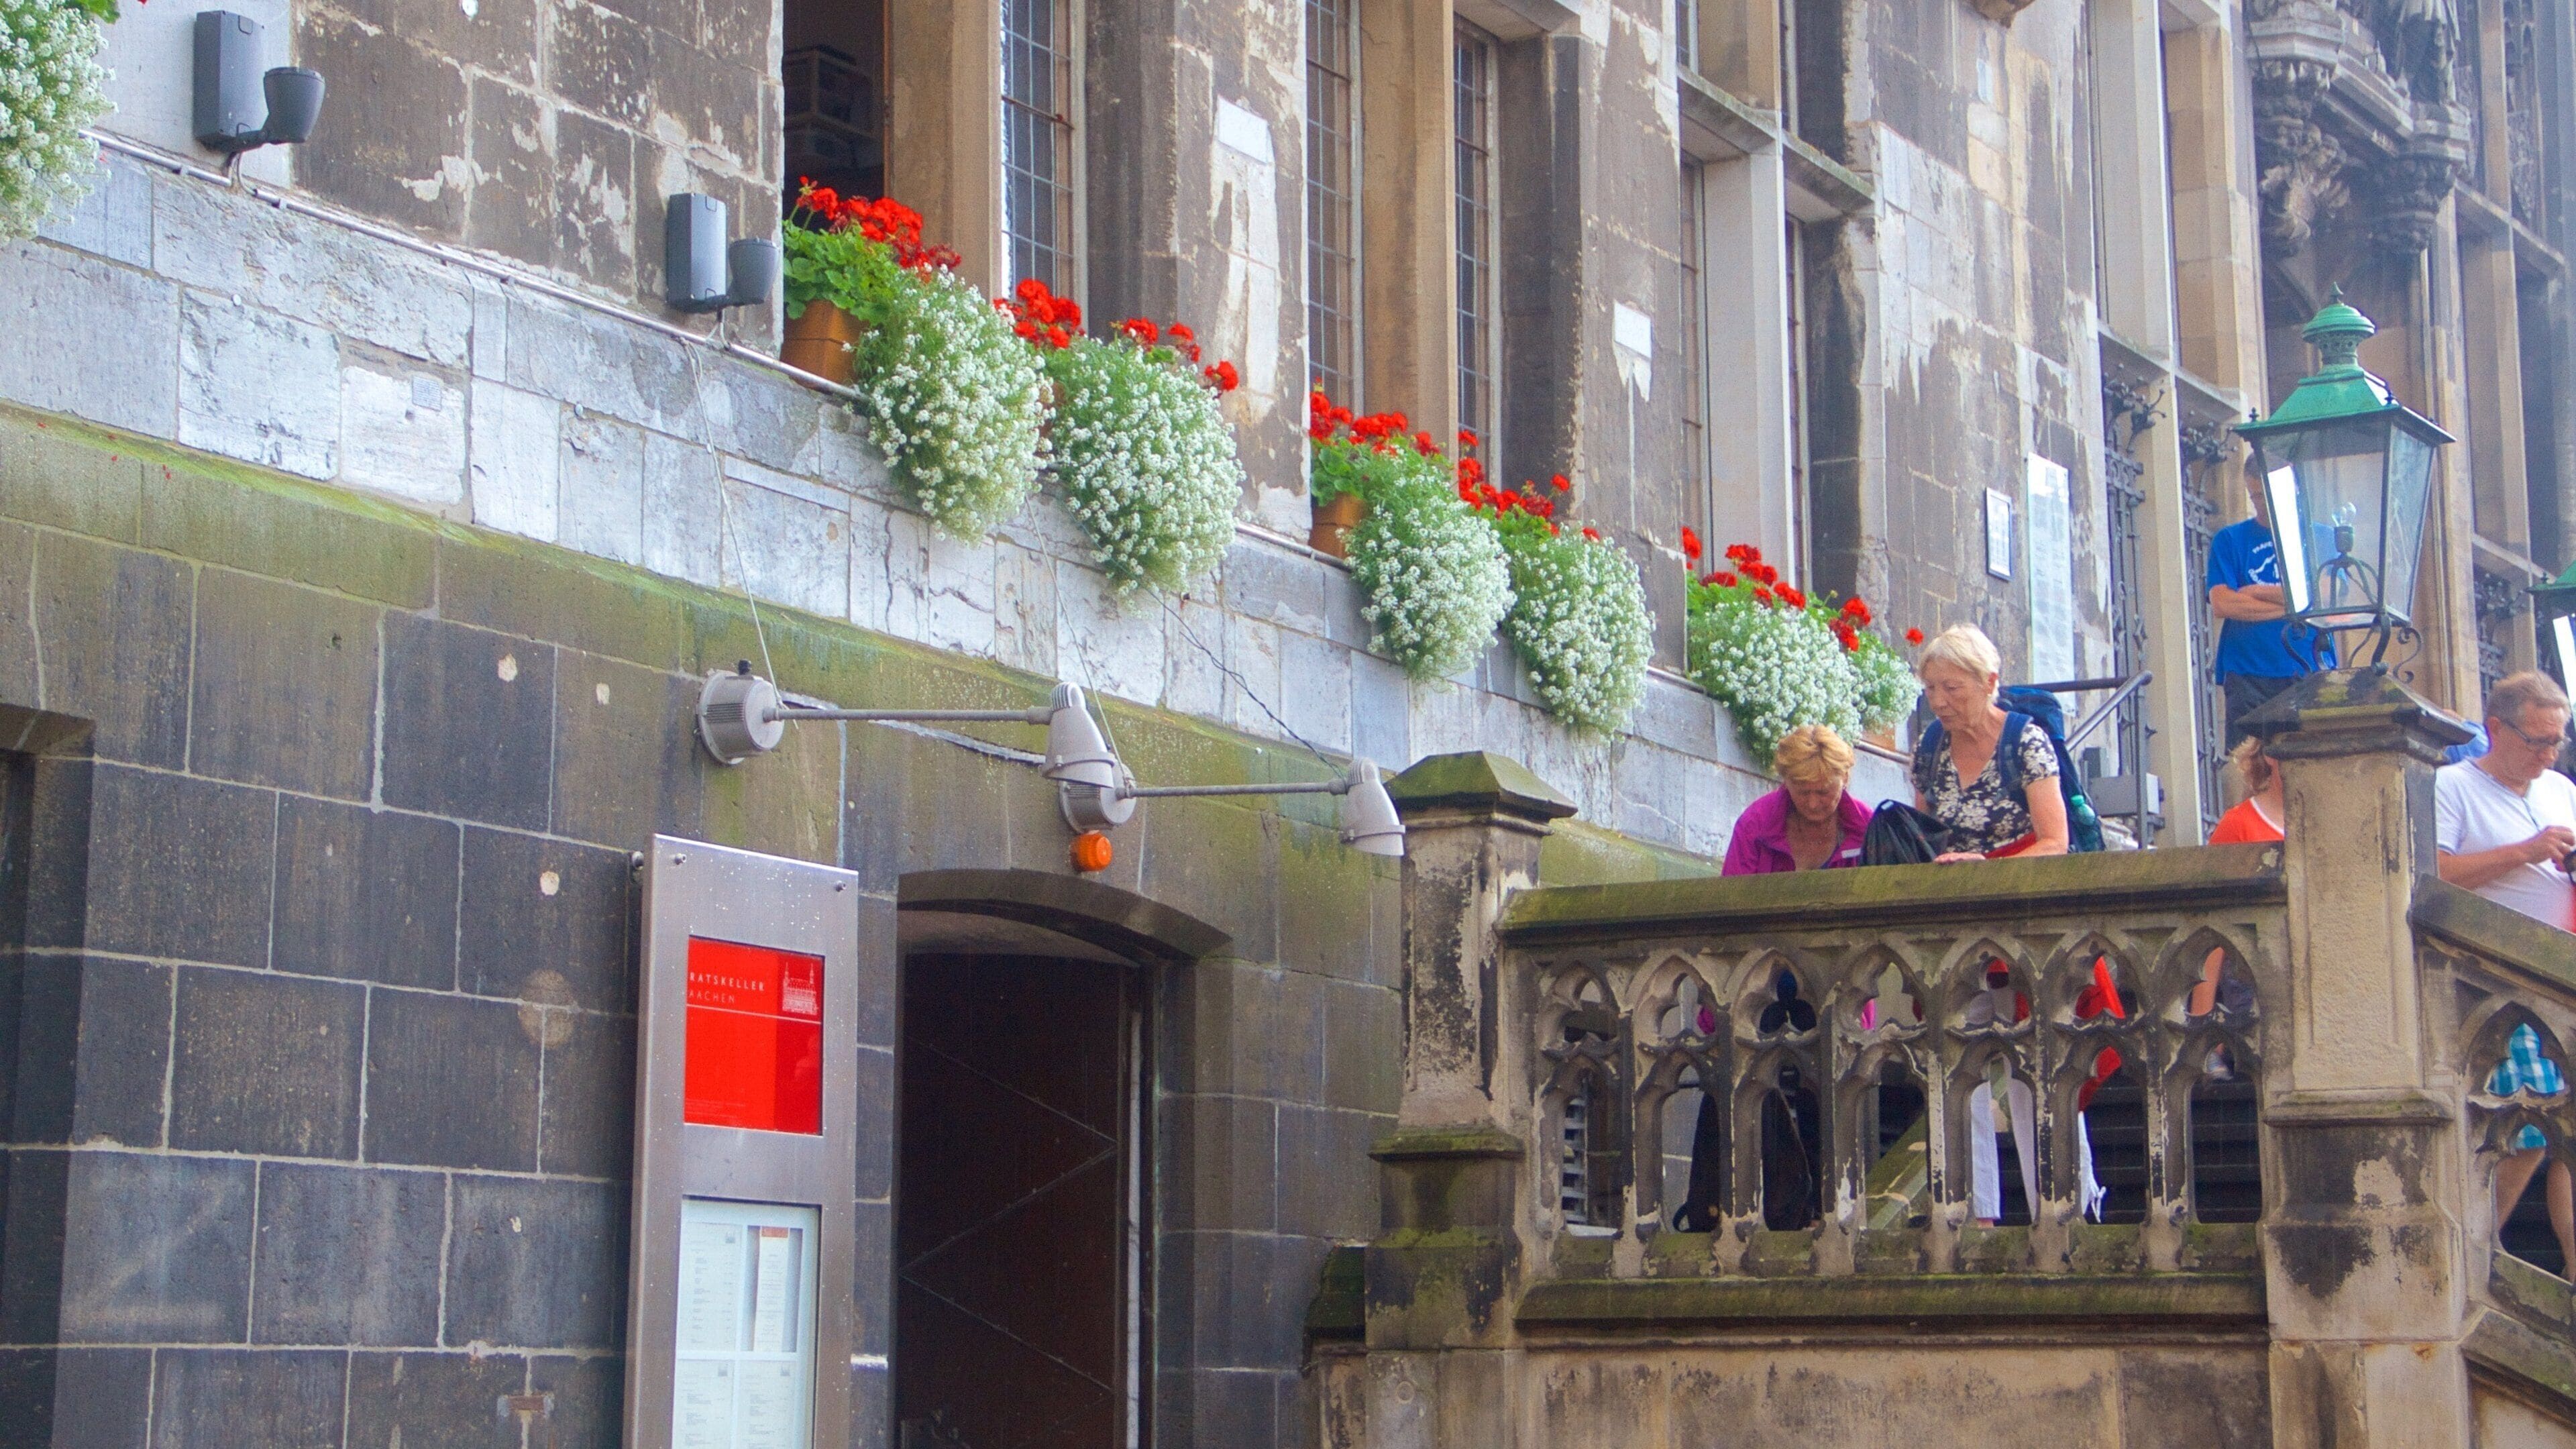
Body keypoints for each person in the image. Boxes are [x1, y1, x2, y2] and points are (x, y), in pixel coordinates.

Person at [2434, 669, 2576, 1271]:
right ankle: (2477, 1253)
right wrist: (2524, 851)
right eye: (2537, 741)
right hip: (2497, 982)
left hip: (2561, 972)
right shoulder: (2450, 786)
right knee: (2528, 1130)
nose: (2548, 755)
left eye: (2557, 741)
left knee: (2564, 1136)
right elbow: (2434, 875)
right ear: (2496, 729)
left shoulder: (2562, 789)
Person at [1911, 624, 2070, 861]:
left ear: (1988, 682)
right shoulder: (1929, 747)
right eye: (1931, 689)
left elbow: (2054, 843)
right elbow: (1920, 840)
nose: (1938, 702)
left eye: (1951, 688)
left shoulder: (2026, 744)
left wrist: (1986, 869)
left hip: (2020, 889)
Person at [2208, 461, 2334, 749]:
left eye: (2268, 495)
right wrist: (2296, 605)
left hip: (2308, 664)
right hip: (2247, 670)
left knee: (2311, 757)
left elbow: (2325, 598)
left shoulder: (2321, 538)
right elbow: (2223, 603)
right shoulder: (2230, 540)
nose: (2262, 505)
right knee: (2252, 763)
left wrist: (2257, 591)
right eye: (2255, 496)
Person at [1722, 724, 1872, 875]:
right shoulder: (1755, 823)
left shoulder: (1868, 827)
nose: (1813, 804)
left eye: (1823, 792)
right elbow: (1731, 895)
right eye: (1803, 793)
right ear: (1786, 782)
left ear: (1845, 778)